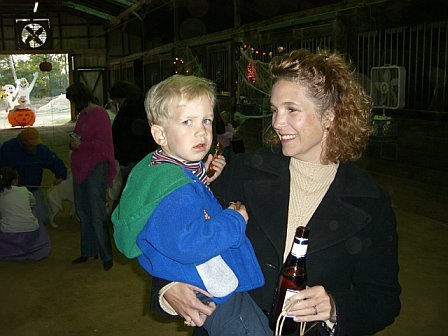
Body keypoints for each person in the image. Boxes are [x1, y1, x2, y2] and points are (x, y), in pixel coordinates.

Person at [151, 49, 401, 336]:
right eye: (274, 110)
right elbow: (172, 230)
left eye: (291, 110)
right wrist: (167, 287)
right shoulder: (245, 172)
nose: (277, 122)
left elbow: (383, 299)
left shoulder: (370, 202)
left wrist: (334, 305)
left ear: (330, 116)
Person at [112, 74, 269, 335]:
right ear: (160, 133)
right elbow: (188, 242)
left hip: (200, 285)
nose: (202, 131)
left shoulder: (159, 166)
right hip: (214, 293)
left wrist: (202, 177)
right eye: (187, 122)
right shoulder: (176, 190)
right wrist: (234, 220)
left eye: (206, 120)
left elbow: (176, 196)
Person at [66, 82, 116, 271]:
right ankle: (88, 250)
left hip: (96, 167)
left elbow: (103, 144)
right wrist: (73, 143)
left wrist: (82, 145)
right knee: (83, 210)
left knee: (97, 213)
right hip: (81, 166)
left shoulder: (99, 114)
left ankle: (106, 254)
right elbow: (78, 136)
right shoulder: (83, 115)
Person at [0, 127, 67, 225]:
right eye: (31, 144)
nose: (34, 147)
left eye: (36, 143)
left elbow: (55, 161)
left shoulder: (41, 149)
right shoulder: (8, 148)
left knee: (42, 218)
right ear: (23, 141)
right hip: (10, 190)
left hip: (33, 190)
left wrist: (60, 175)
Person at [109, 81, 158, 185]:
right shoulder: (145, 106)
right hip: (146, 155)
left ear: (121, 98)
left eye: (116, 100)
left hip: (131, 158)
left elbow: (121, 134)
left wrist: (121, 158)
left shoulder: (127, 111)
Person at [0, 167, 51, 261]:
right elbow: (33, 203)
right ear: (15, 180)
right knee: (33, 213)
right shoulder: (24, 190)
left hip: (9, 233)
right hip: (30, 231)